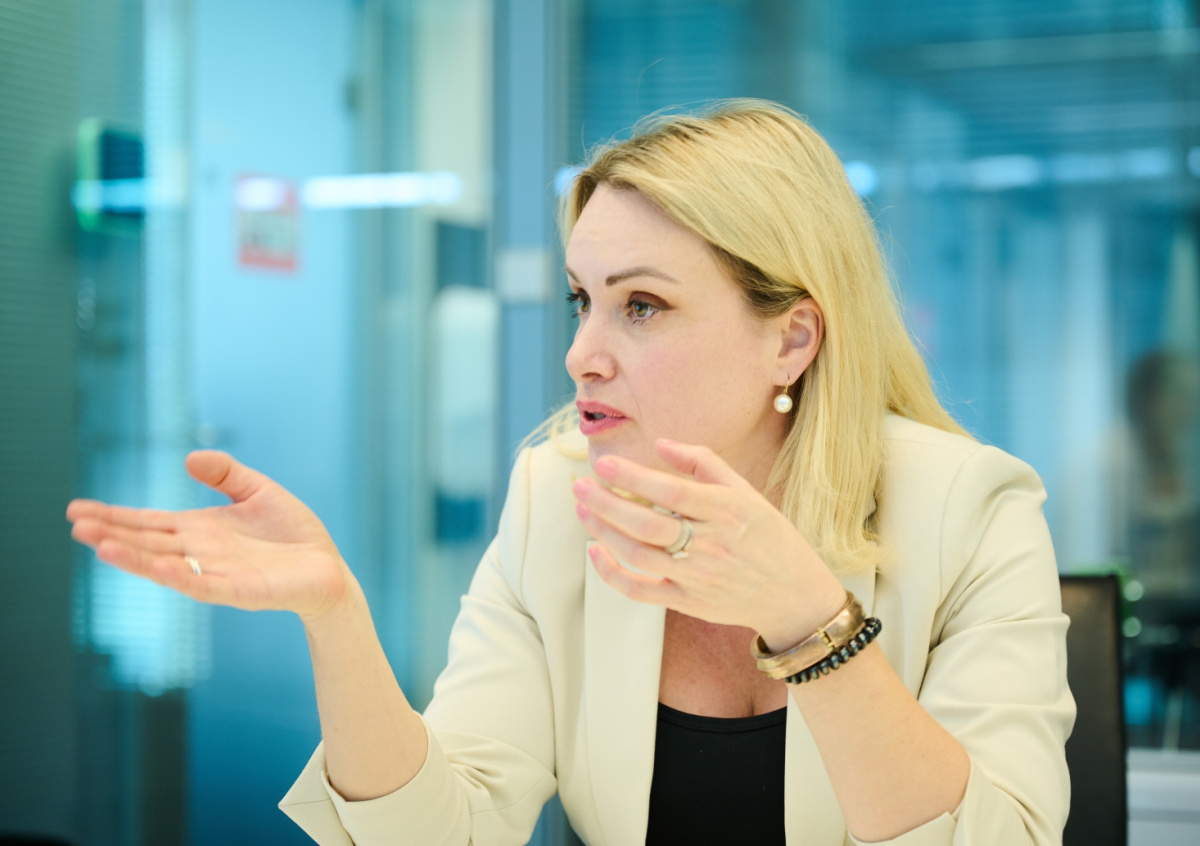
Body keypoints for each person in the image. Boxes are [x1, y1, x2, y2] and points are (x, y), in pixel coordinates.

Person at [66, 100, 1074, 845]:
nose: (581, 354)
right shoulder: (558, 496)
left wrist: (811, 622)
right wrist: (335, 617)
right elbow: (446, 834)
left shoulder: (971, 511)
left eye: (642, 306)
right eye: (580, 300)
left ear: (792, 340)